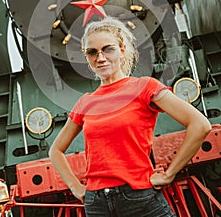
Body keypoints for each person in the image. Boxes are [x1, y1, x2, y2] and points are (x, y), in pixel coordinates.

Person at [49, 16, 211, 217]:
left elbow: (200, 125)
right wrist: (76, 187)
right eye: (92, 52)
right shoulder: (85, 102)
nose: (100, 57)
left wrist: (169, 174)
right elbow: (55, 150)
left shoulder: (144, 87)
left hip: (139, 197)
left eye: (108, 49)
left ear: (122, 49)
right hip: (97, 204)